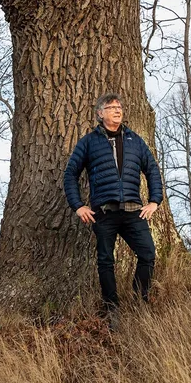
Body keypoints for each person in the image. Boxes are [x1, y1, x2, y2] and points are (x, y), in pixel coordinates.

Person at [63, 93, 164, 322]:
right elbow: (70, 174)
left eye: (119, 107)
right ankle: (112, 307)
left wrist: (154, 201)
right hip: (104, 213)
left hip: (132, 211)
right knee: (105, 261)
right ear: (100, 113)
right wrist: (78, 206)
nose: (117, 110)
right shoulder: (89, 142)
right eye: (111, 107)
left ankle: (140, 300)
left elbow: (153, 170)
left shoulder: (135, 140)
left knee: (148, 254)